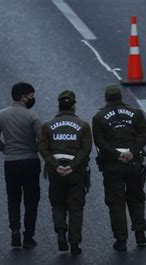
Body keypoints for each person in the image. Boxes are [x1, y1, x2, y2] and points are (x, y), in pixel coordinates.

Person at [92, 84, 146, 251]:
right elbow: (144, 133)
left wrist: (117, 155)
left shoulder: (99, 117)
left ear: (106, 98)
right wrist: (132, 152)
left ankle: (121, 239)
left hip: (112, 165)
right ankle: (140, 234)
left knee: (116, 203)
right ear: (120, 97)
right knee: (136, 198)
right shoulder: (136, 113)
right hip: (134, 163)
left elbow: (99, 142)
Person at [39, 90, 92, 255]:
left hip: (56, 173)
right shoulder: (83, 125)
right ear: (74, 106)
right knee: (76, 208)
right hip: (76, 173)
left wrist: (55, 165)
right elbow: (86, 149)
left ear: (59, 105)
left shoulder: (47, 125)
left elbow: (43, 148)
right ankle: (74, 244)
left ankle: (61, 231)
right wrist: (73, 166)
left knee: (58, 203)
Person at [0, 82, 41, 249]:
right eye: (31, 97)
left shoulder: (1, 115)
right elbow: (42, 140)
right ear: (23, 97)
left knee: (13, 198)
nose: (32, 99)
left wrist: (6, 150)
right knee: (31, 200)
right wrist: (35, 150)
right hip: (30, 161)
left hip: (11, 162)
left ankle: (15, 231)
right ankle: (28, 236)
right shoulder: (32, 116)